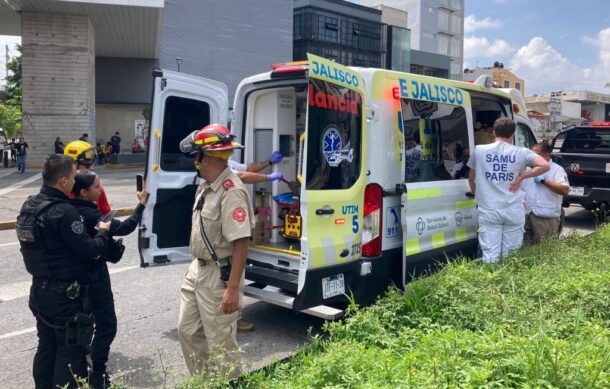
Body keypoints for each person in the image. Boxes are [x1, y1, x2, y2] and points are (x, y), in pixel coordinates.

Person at [16, 154, 112, 389]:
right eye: (71, 177)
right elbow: (89, 250)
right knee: (70, 354)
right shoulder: (63, 211)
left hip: (40, 290)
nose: (73, 181)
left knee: (46, 348)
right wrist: (103, 231)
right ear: (62, 181)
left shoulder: (29, 205)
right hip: (65, 297)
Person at [177, 124, 254, 381]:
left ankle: (231, 384)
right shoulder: (206, 186)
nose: (194, 162)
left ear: (206, 158)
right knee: (188, 332)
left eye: (196, 157)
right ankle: (206, 384)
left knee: (221, 343)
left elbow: (241, 242)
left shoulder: (231, 191)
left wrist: (232, 289)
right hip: (197, 270)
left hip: (218, 275)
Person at [70, 170, 148, 388]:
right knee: (106, 326)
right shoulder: (95, 217)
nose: (100, 189)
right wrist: (141, 204)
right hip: (95, 277)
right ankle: (98, 374)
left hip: (75, 278)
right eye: (96, 187)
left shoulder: (69, 212)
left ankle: (82, 370)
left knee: (83, 323)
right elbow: (127, 226)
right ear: (84, 192)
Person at [467, 117, 550, 263]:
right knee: (510, 255)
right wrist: (522, 176)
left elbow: (471, 178)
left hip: (489, 209)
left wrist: (477, 194)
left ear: (493, 132)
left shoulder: (479, 151)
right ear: (513, 134)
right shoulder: (522, 152)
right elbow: (544, 165)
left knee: (490, 255)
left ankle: (492, 284)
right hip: (513, 209)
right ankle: (507, 283)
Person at [522, 141, 570, 246]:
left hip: (546, 218)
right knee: (525, 252)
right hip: (528, 217)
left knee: (545, 251)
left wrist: (544, 181)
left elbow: (565, 190)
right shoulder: (527, 169)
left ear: (546, 154)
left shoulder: (556, 170)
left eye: (536, 155)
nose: (532, 158)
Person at [64, 140, 112, 215]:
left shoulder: (96, 188)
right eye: (87, 165)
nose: (92, 168)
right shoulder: (61, 192)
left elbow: (106, 215)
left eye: (92, 163)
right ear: (72, 165)